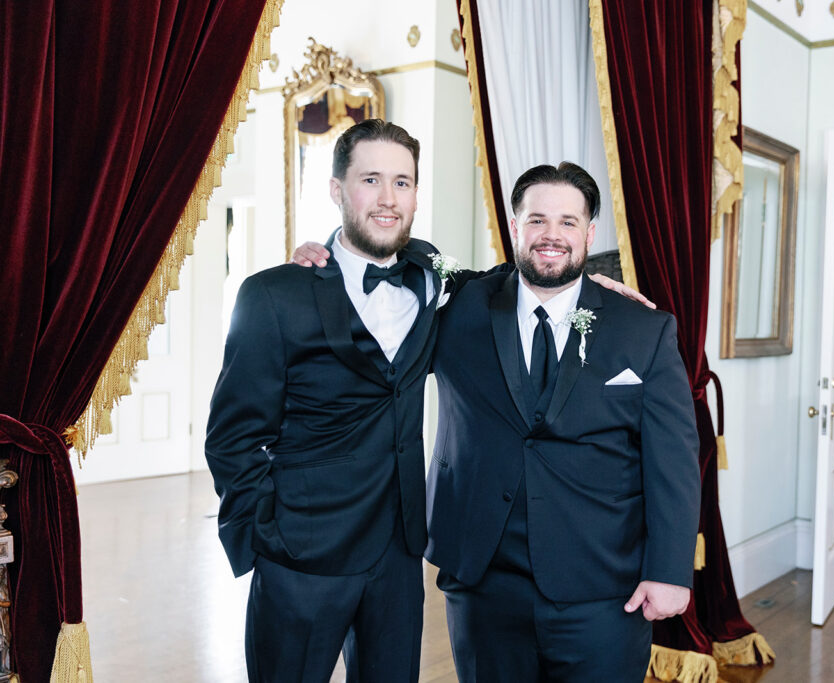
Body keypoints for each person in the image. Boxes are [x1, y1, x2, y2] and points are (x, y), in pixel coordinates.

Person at [213, 119, 649, 683]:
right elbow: (232, 436)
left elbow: (509, 280)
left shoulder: (428, 276)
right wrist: (265, 540)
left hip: (399, 556)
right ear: (337, 188)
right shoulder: (273, 294)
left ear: (416, 193)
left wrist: (591, 284)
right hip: (301, 557)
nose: (388, 198)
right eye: (371, 179)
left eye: (403, 182)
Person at [424, 162, 701, 682]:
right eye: (537, 220)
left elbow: (674, 461)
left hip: (603, 590)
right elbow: (400, 260)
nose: (552, 235)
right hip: (483, 584)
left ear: (590, 233)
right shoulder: (459, 308)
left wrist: (669, 572)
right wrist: (318, 255)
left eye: (568, 222)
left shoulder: (644, 329)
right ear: (514, 226)